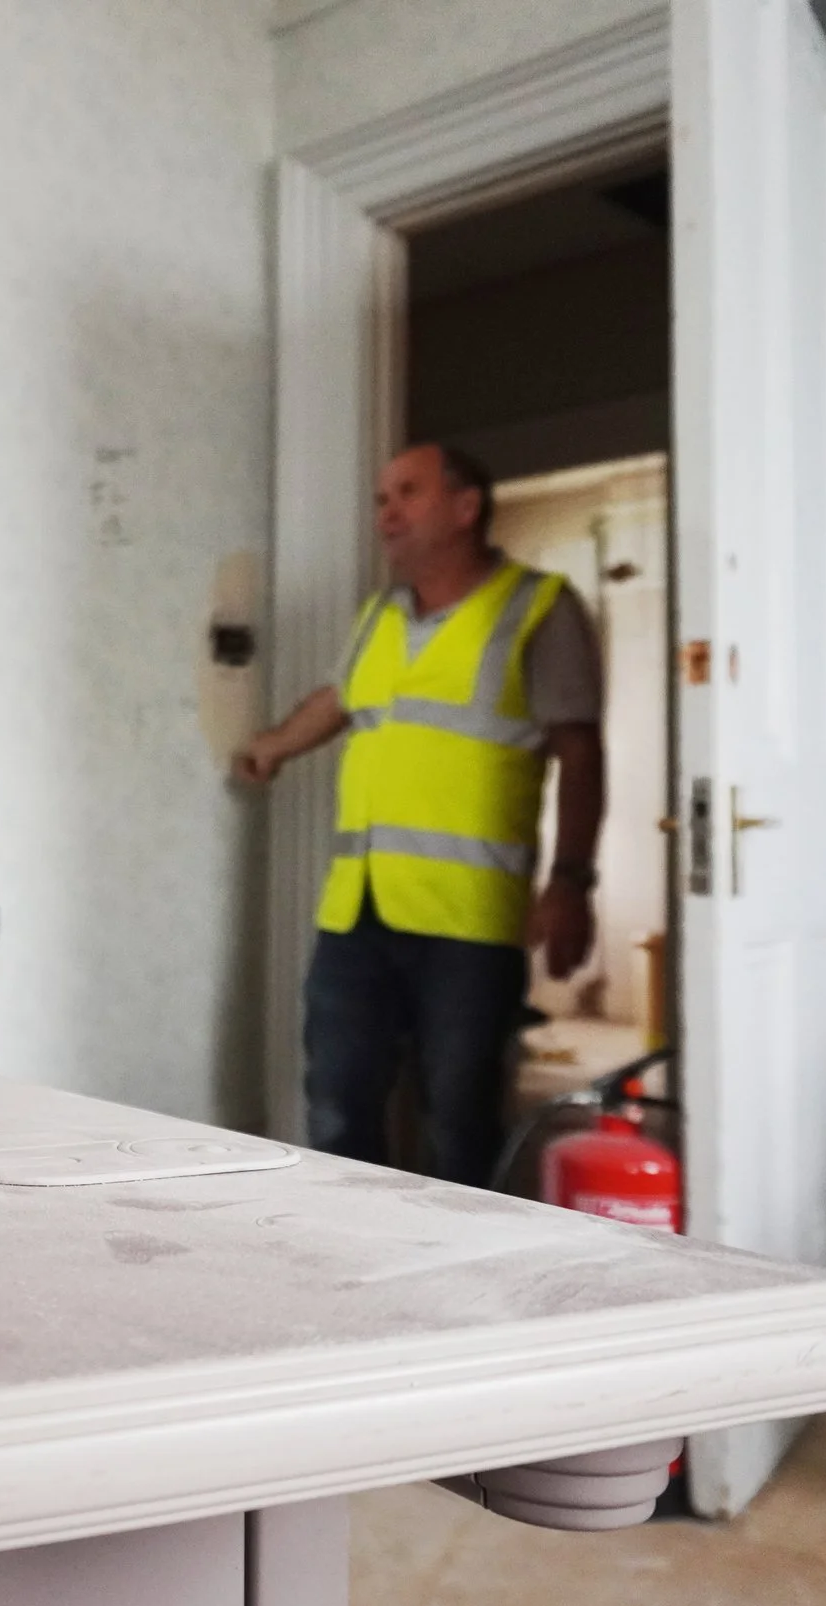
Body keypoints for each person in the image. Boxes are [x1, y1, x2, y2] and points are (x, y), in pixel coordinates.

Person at [235, 443, 604, 1186]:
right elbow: (337, 701)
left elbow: (582, 753)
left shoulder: (536, 607)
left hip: (466, 927)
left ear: (466, 508)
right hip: (357, 915)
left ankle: (459, 1285)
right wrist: (271, 745)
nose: (386, 513)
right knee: (337, 1110)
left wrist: (569, 883)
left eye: (406, 493)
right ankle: (352, 1265)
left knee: (461, 1122)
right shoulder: (380, 614)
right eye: (380, 498)